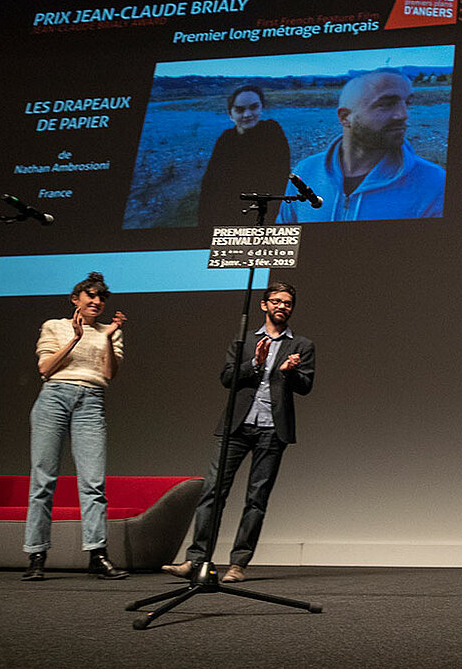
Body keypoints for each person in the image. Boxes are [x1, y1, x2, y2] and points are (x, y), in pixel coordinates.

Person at [162, 282, 315, 583]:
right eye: (277, 301)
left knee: (256, 498)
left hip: (273, 429)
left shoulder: (302, 345)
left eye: (288, 303)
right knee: (212, 493)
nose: (282, 306)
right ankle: (196, 560)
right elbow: (226, 378)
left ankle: (238, 564)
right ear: (264, 304)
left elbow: (306, 387)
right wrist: (255, 364)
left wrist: (290, 371)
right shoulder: (244, 340)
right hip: (237, 426)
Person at [22, 272, 129, 581]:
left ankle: (97, 555)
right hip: (54, 397)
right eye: (90, 296)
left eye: (101, 298)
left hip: (91, 401)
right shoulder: (54, 326)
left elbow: (109, 374)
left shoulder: (110, 331)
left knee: (93, 483)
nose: (97, 302)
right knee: (44, 480)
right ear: (75, 299)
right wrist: (74, 338)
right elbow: (45, 367)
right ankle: (36, 555)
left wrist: (108, 338)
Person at [275, 68, 445, 223]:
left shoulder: (434, 183)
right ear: (345, 117)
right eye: (386, 104)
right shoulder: (306, 171)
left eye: (407, 103)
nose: (403, 115)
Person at [198, 84, 291, 227]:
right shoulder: (225, 139)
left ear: (261, 108)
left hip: (262, 218)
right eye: (240, 110)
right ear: (230, 114)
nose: (247, 114)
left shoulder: (272, 132)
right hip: (226, 219)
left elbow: (279, 179)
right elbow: (210, 184)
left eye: (254, 107)